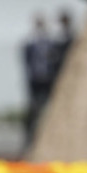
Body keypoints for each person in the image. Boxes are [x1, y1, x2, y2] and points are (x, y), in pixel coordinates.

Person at [22, 14, 57, 147]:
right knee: (33, 108)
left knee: (47, 108)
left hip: (47, 80)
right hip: (35, 80)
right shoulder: (31, 44)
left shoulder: (50, 43)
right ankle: (30, 138)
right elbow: (27, 63)